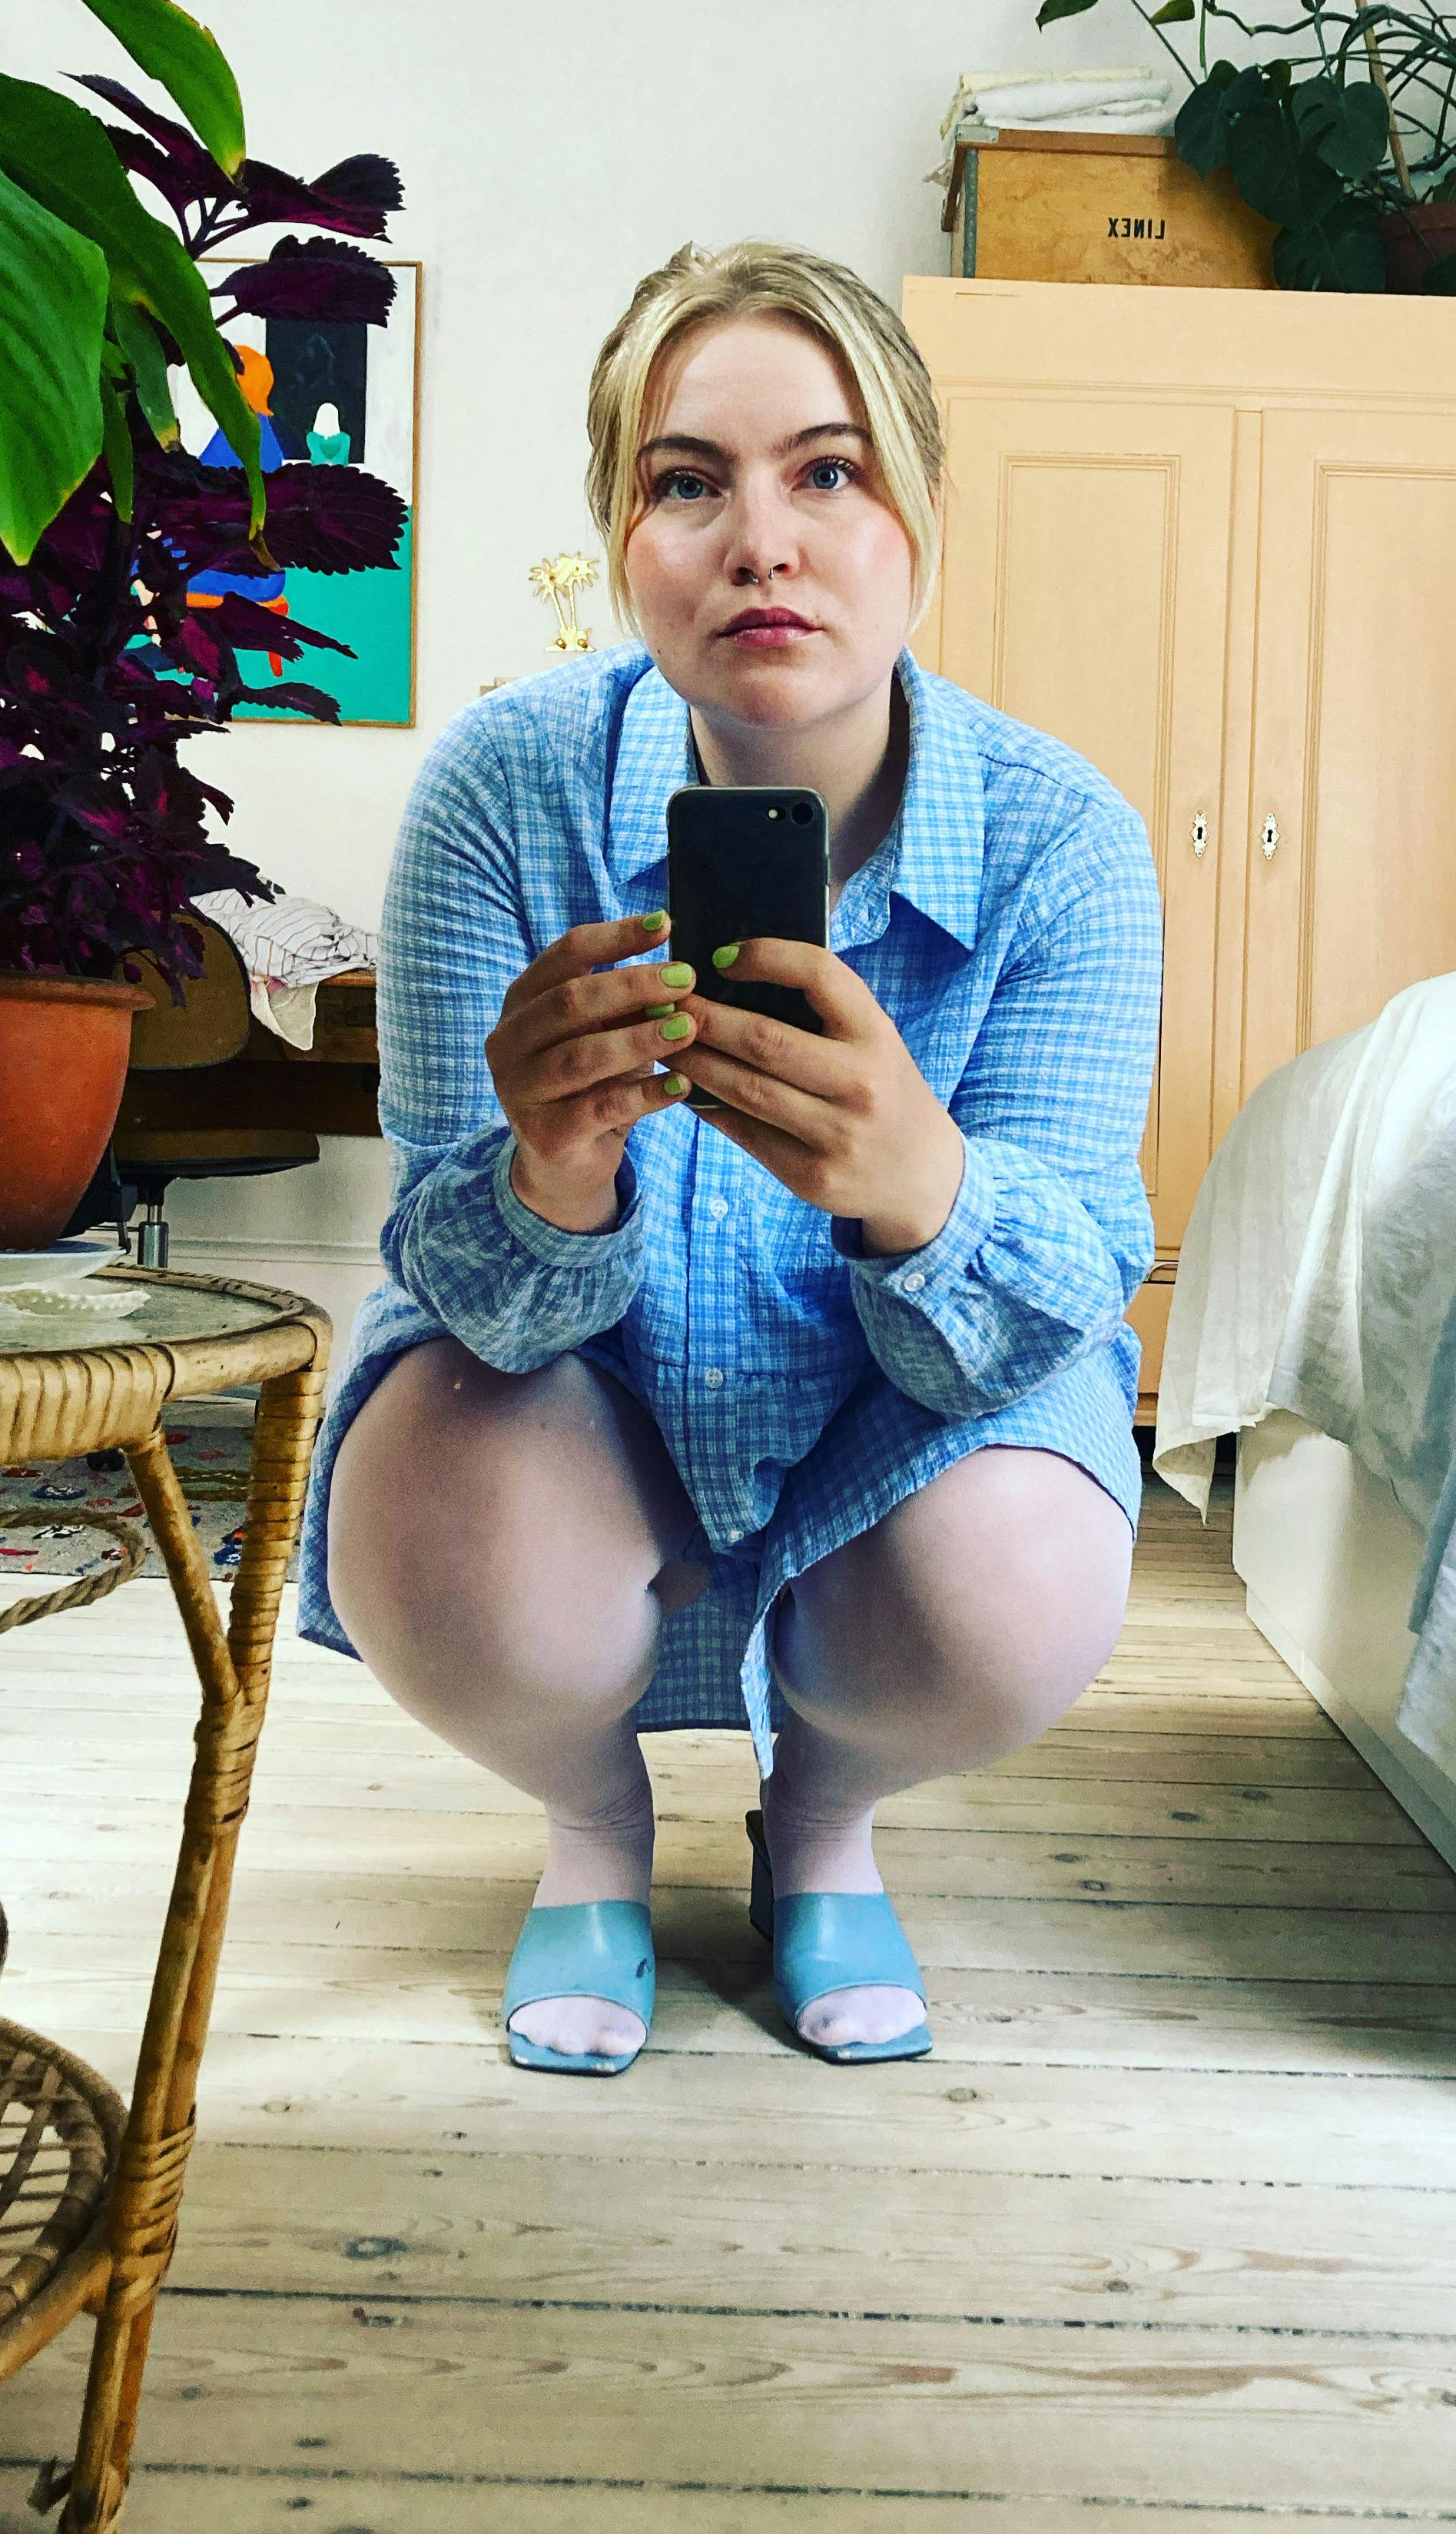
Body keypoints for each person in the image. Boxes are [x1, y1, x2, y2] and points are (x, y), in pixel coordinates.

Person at [306, 239, 1162, 2074]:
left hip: (897, 1436)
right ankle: (591, 1824)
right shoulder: (502, 792)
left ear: (919, 520)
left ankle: (823, 1825)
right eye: (688, 482)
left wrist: (921, 1189)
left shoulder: (1062, 840)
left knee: (1023, 1558)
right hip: (577, 1417)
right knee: (433, 1497)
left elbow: (1061, 1304)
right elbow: (440, 1267)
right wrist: (547, 1177)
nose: (761, 541)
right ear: (624, 541)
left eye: (828, 472)